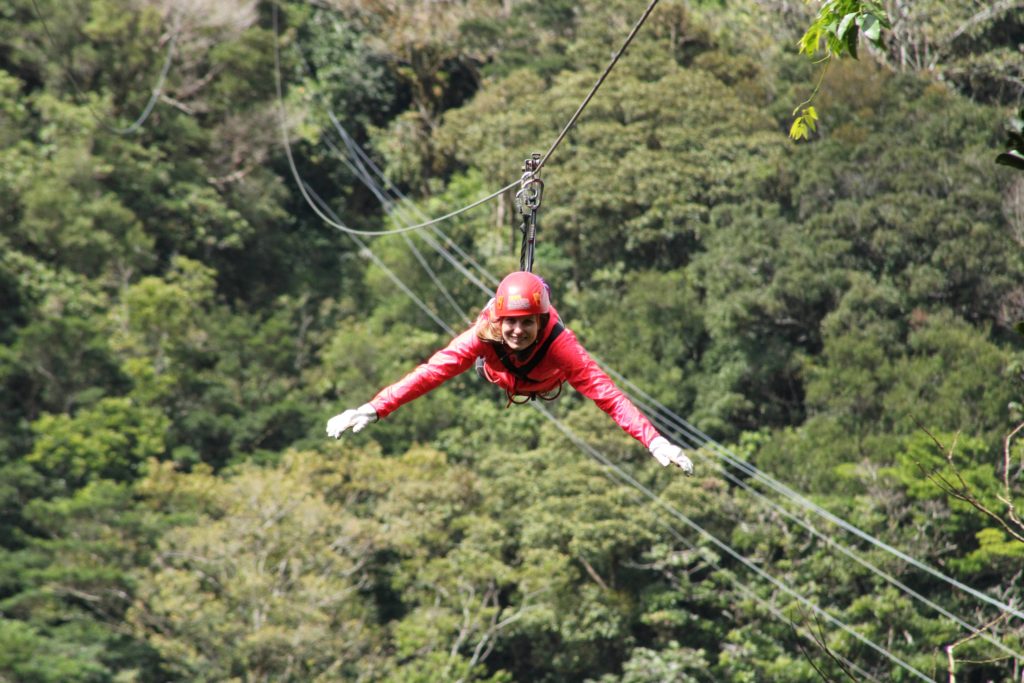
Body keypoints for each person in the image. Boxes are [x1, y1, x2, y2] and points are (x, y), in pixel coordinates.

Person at [326, 271, 694, 474]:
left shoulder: (562, 346)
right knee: (472, 354)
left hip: (545, 378)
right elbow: (430, 373)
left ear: (541, 320)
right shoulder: (485, 335)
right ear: (499, 318)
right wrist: (375, 408)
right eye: (510, 323)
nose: (517, 332)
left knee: (536, 358)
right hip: (501, 372)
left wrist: (654, 440)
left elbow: (609, 398)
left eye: (527, 324)